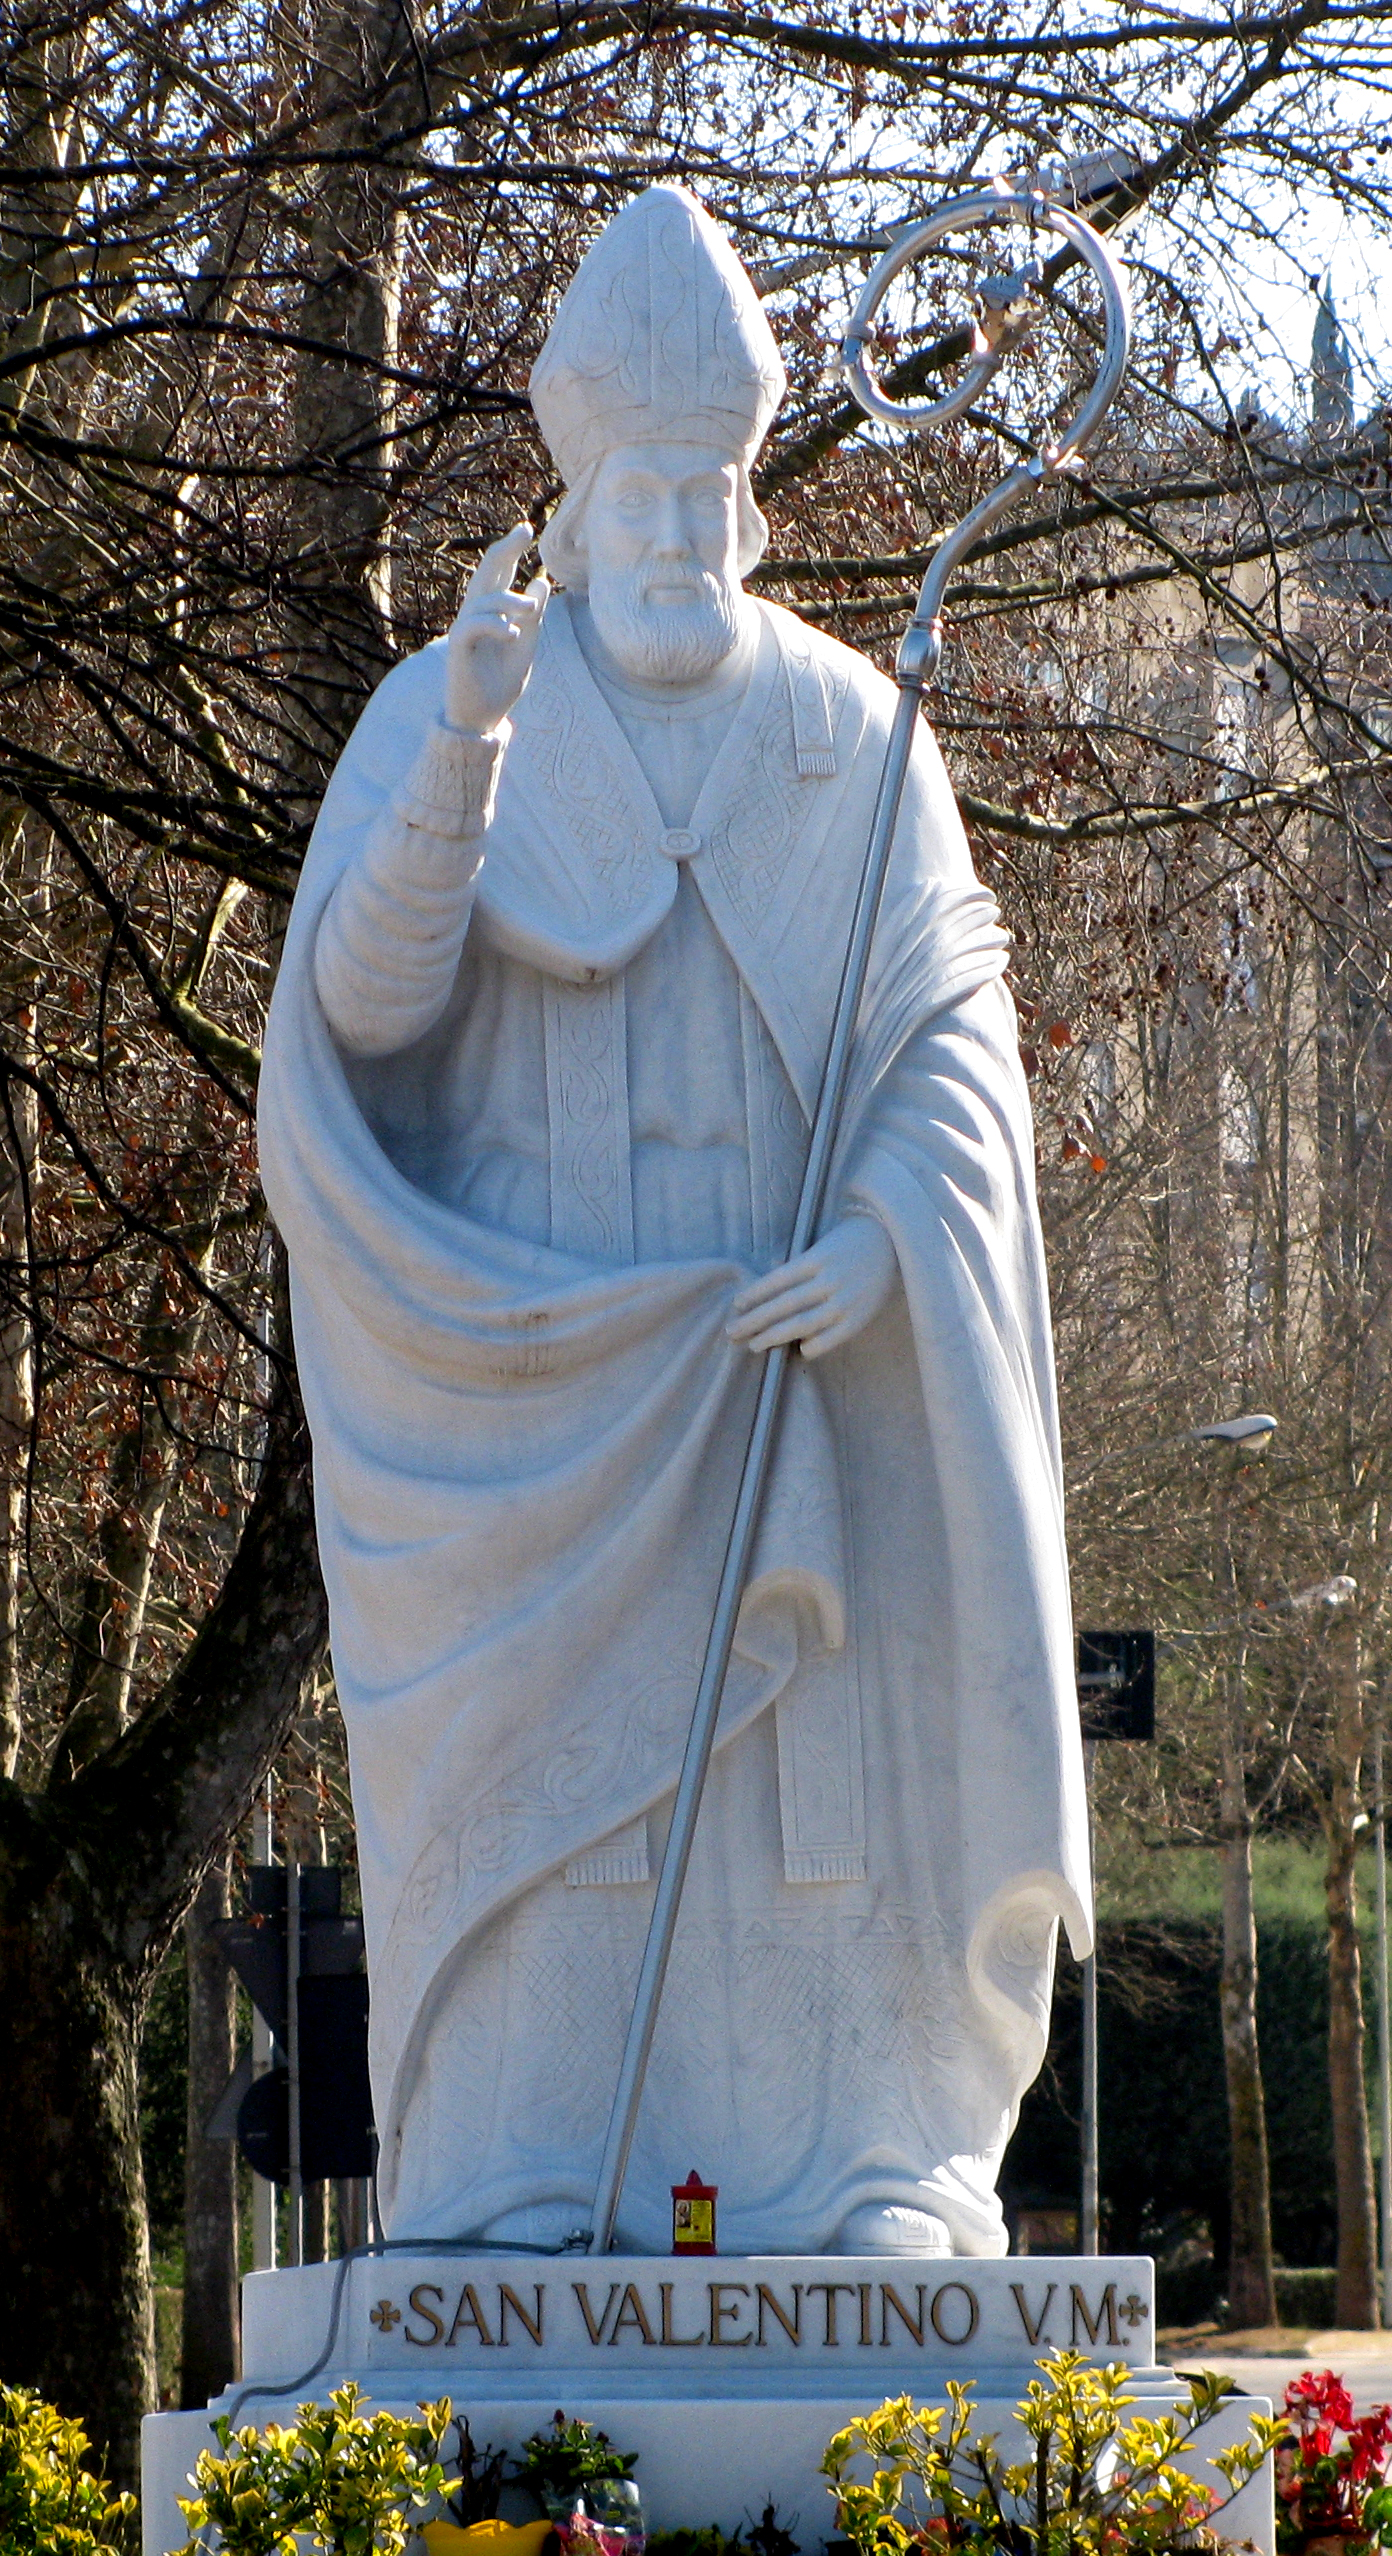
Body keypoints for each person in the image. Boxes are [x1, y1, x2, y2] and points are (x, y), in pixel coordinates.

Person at [259, 183, 1091, 2259]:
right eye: (632, 491)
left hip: (789, 1353)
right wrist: (462, 748)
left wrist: (893, 1238)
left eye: (705, 490)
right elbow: (360, 1018)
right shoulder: (464, 707)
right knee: (570, 1798)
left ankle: (860, 2166)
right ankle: (525, 2169)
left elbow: (951, 1041)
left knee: (805, 1780)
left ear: (747, 495)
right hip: (545, 1385)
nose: (669, 532)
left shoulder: (850, 732)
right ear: (574, 485)